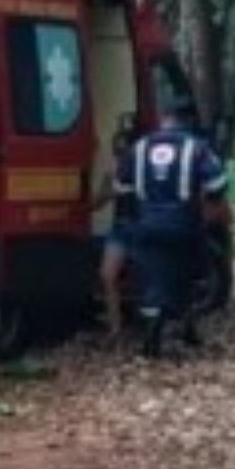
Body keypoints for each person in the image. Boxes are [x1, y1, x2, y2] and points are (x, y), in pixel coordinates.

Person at [115, 97, 226, 358]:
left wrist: (135, 217)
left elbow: (121, 187)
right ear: (188, 120)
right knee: (186, 275)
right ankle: (185, 326)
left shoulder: (139, 148)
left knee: (152, 277)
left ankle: (153, 331)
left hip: (147, 224)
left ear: (164, 117)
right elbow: (217, 185)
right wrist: (208, 212)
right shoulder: (198, 148)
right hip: (184, 225)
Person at [93, 121, 143, 338]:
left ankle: (145, 322)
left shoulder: (145, 170)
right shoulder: (113, 172)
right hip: (120, 228)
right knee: (107, 275)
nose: (120, 153)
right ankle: (115, 327)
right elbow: (98, 203)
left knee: (141, 276)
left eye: (124, 148)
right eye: (117, 149)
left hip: (142, 227)